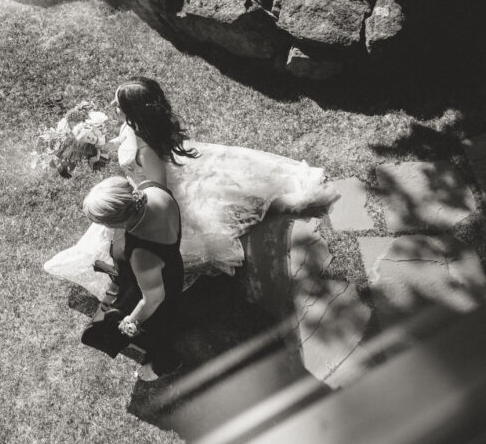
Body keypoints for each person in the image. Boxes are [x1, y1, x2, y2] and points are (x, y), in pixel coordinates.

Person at [45, 77, 340, 292]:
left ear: (133, 111)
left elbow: (157, 190)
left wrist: (129, 198)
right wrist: (96, 148)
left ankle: (290, 204)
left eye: (117, 103)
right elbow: (126, 141)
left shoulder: (146, 152)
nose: (112, 105)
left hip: (161, 196)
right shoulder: (137, 127)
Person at [82, 176, 184, 380]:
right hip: (169, 264)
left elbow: (153, 298)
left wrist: (131, 321)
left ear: (115, 222)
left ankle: (164, 364)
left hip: (157, 285)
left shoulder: (141, 254)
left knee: (159, 328)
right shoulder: (152, 189)